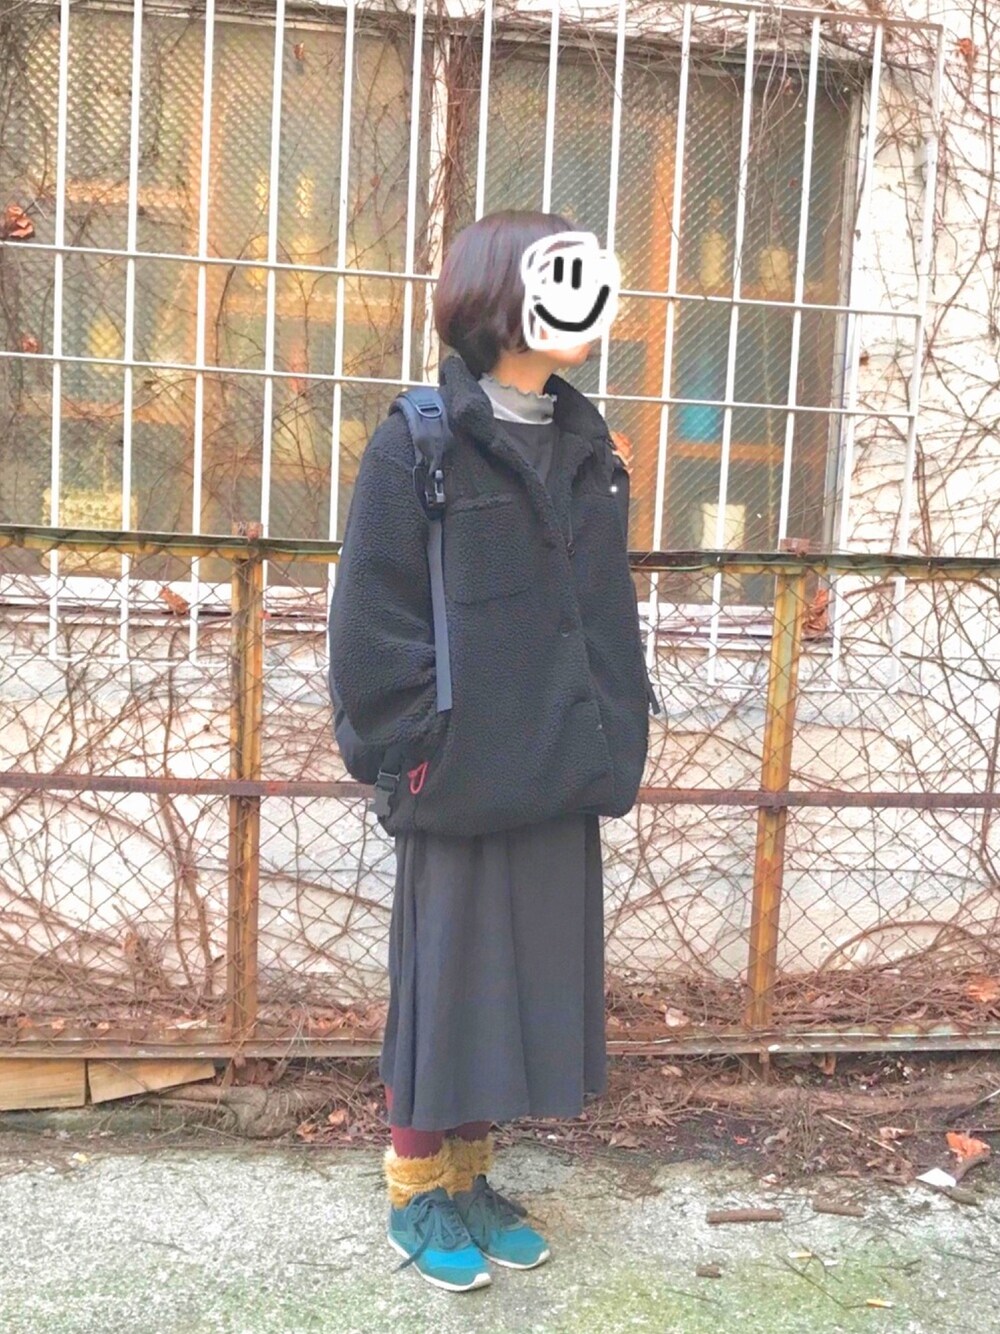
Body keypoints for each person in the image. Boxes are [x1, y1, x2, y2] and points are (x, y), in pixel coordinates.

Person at [328, 209, 654, 1293]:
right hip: (460, 775)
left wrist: (613, 726)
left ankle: (471, 1178)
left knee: (517, 987)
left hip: (558, 766)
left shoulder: (586, 447)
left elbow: (598, 612)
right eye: (567, 277)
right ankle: (414, 1189)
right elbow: (368, 620)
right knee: (446, 985)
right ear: (504, 294)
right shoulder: (418, 439)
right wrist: (417, 740)